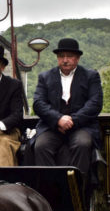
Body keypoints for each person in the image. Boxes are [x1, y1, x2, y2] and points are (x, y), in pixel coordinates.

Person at [32, 37, 103, 174]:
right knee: (41, 146)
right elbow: (38, 103)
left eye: (69, 56)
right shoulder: (45, 77)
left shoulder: (90, 76)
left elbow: (95, 103)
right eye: (61, 56)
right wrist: (58, 119)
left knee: (82, 144)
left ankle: (77, 191)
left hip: (82, 126)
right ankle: (50, 189)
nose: (65, 60)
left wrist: (72, 121)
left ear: (77, 58)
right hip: (52, 127)